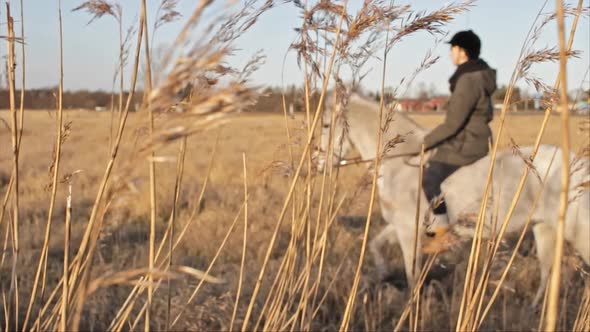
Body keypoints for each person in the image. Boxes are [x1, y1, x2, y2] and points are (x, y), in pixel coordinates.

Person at [412, 30, 497, 233]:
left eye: (453, 48)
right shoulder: (477, 75)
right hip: (473, 138)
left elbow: (452, 125)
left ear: (461, 51)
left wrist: (423, 144)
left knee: (430, 178)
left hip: (468, 143)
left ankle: (441, 231)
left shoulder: (468, 80)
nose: (450, 53)